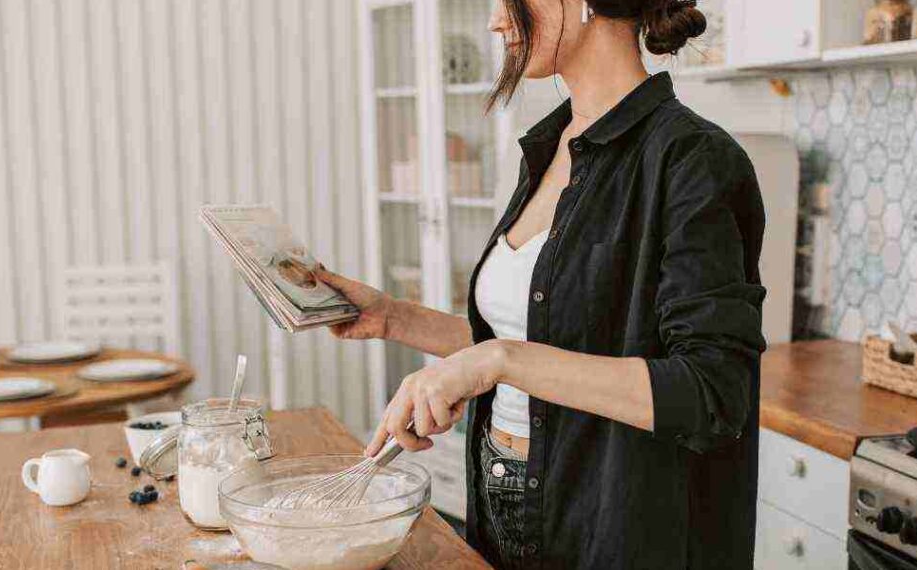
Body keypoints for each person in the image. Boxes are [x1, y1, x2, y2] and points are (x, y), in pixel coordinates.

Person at [318, 0, 766, 566]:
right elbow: (550, 337)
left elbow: (710, 392)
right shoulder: (550, 147)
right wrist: (392, 318)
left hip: (612, 521)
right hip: (506, 496)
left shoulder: (692, 159)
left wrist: (498, 361)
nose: (495, 20)